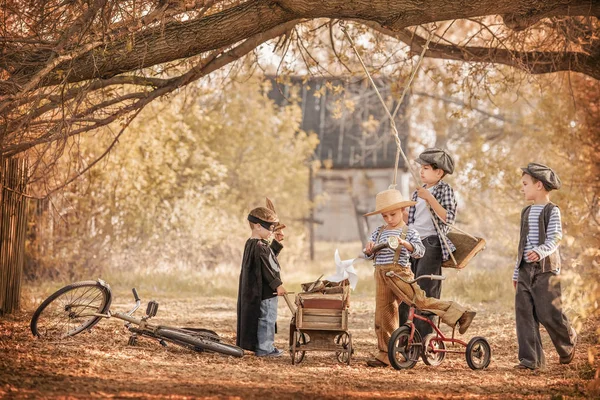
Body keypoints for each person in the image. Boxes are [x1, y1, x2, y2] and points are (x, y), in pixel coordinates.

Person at [363, 188, 476, 368]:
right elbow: (369, 255)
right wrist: (369, 249)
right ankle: (386, 353)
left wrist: (405, 244)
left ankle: (460, 313)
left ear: (403, 211)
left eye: (393, 214)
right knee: (383, 313)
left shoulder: (410, 232)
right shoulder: (379, 231)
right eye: (385, 216)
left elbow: (419, 252)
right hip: (381, 274)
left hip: (400, 273)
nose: (389, 219)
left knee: (420, 301)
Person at [512, 163, 577, 370]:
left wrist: (540, 252)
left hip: (546, 270)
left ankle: (567, 342)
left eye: (525, 184)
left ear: (538, 185)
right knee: (524, 313)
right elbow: (522, 244)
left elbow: (556, 238)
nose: (522, 188)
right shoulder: (526, 212)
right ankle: (531, 360)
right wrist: (516, 270)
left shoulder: (552, 211)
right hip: (525, 269)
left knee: (548, 312)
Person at [400, 148, 458, 337]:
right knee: (406, 286)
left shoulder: (444, 190)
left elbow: (448, 218)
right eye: (421, 168)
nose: (421, 171)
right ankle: (403, 332)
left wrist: (430, 198)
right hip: (413, 242)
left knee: (426, 290)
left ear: (439, 172)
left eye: (426, 168)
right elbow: (413, 221)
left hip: (431, 243)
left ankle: (423, 336)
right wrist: (402, 212)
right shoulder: (417, 193)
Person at [236, 205, 287, 357]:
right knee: (267, 320)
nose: (272, 231)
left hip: (262, 291)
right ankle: (265, 349)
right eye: (270, 228)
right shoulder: (259, 246)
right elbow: (267, 268)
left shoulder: (255, 244)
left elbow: (269, 259)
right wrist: (278, 285)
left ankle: (264, 346)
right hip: (265, 292)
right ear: (258, 226)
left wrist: (276, 243)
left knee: (265, 319)